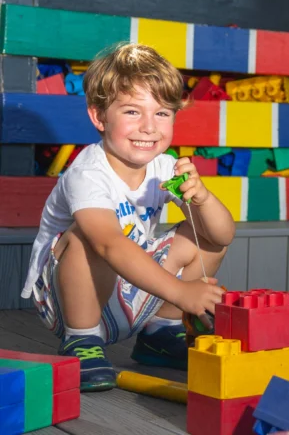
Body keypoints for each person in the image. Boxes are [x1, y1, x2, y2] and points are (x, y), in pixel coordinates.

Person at [21, 43, 236, 391]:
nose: (149, 127)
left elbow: (223, 237)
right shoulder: (89, 172)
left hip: (130, 290)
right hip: (71, 297)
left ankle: (160, 335)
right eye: (133, 112)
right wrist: (182, 292)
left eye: (163, 113)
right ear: (99, 116)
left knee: (204, 234)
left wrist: (203, 198)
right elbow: (108, 245)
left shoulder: (165, 167)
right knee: (89, 236)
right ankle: (82, 341)